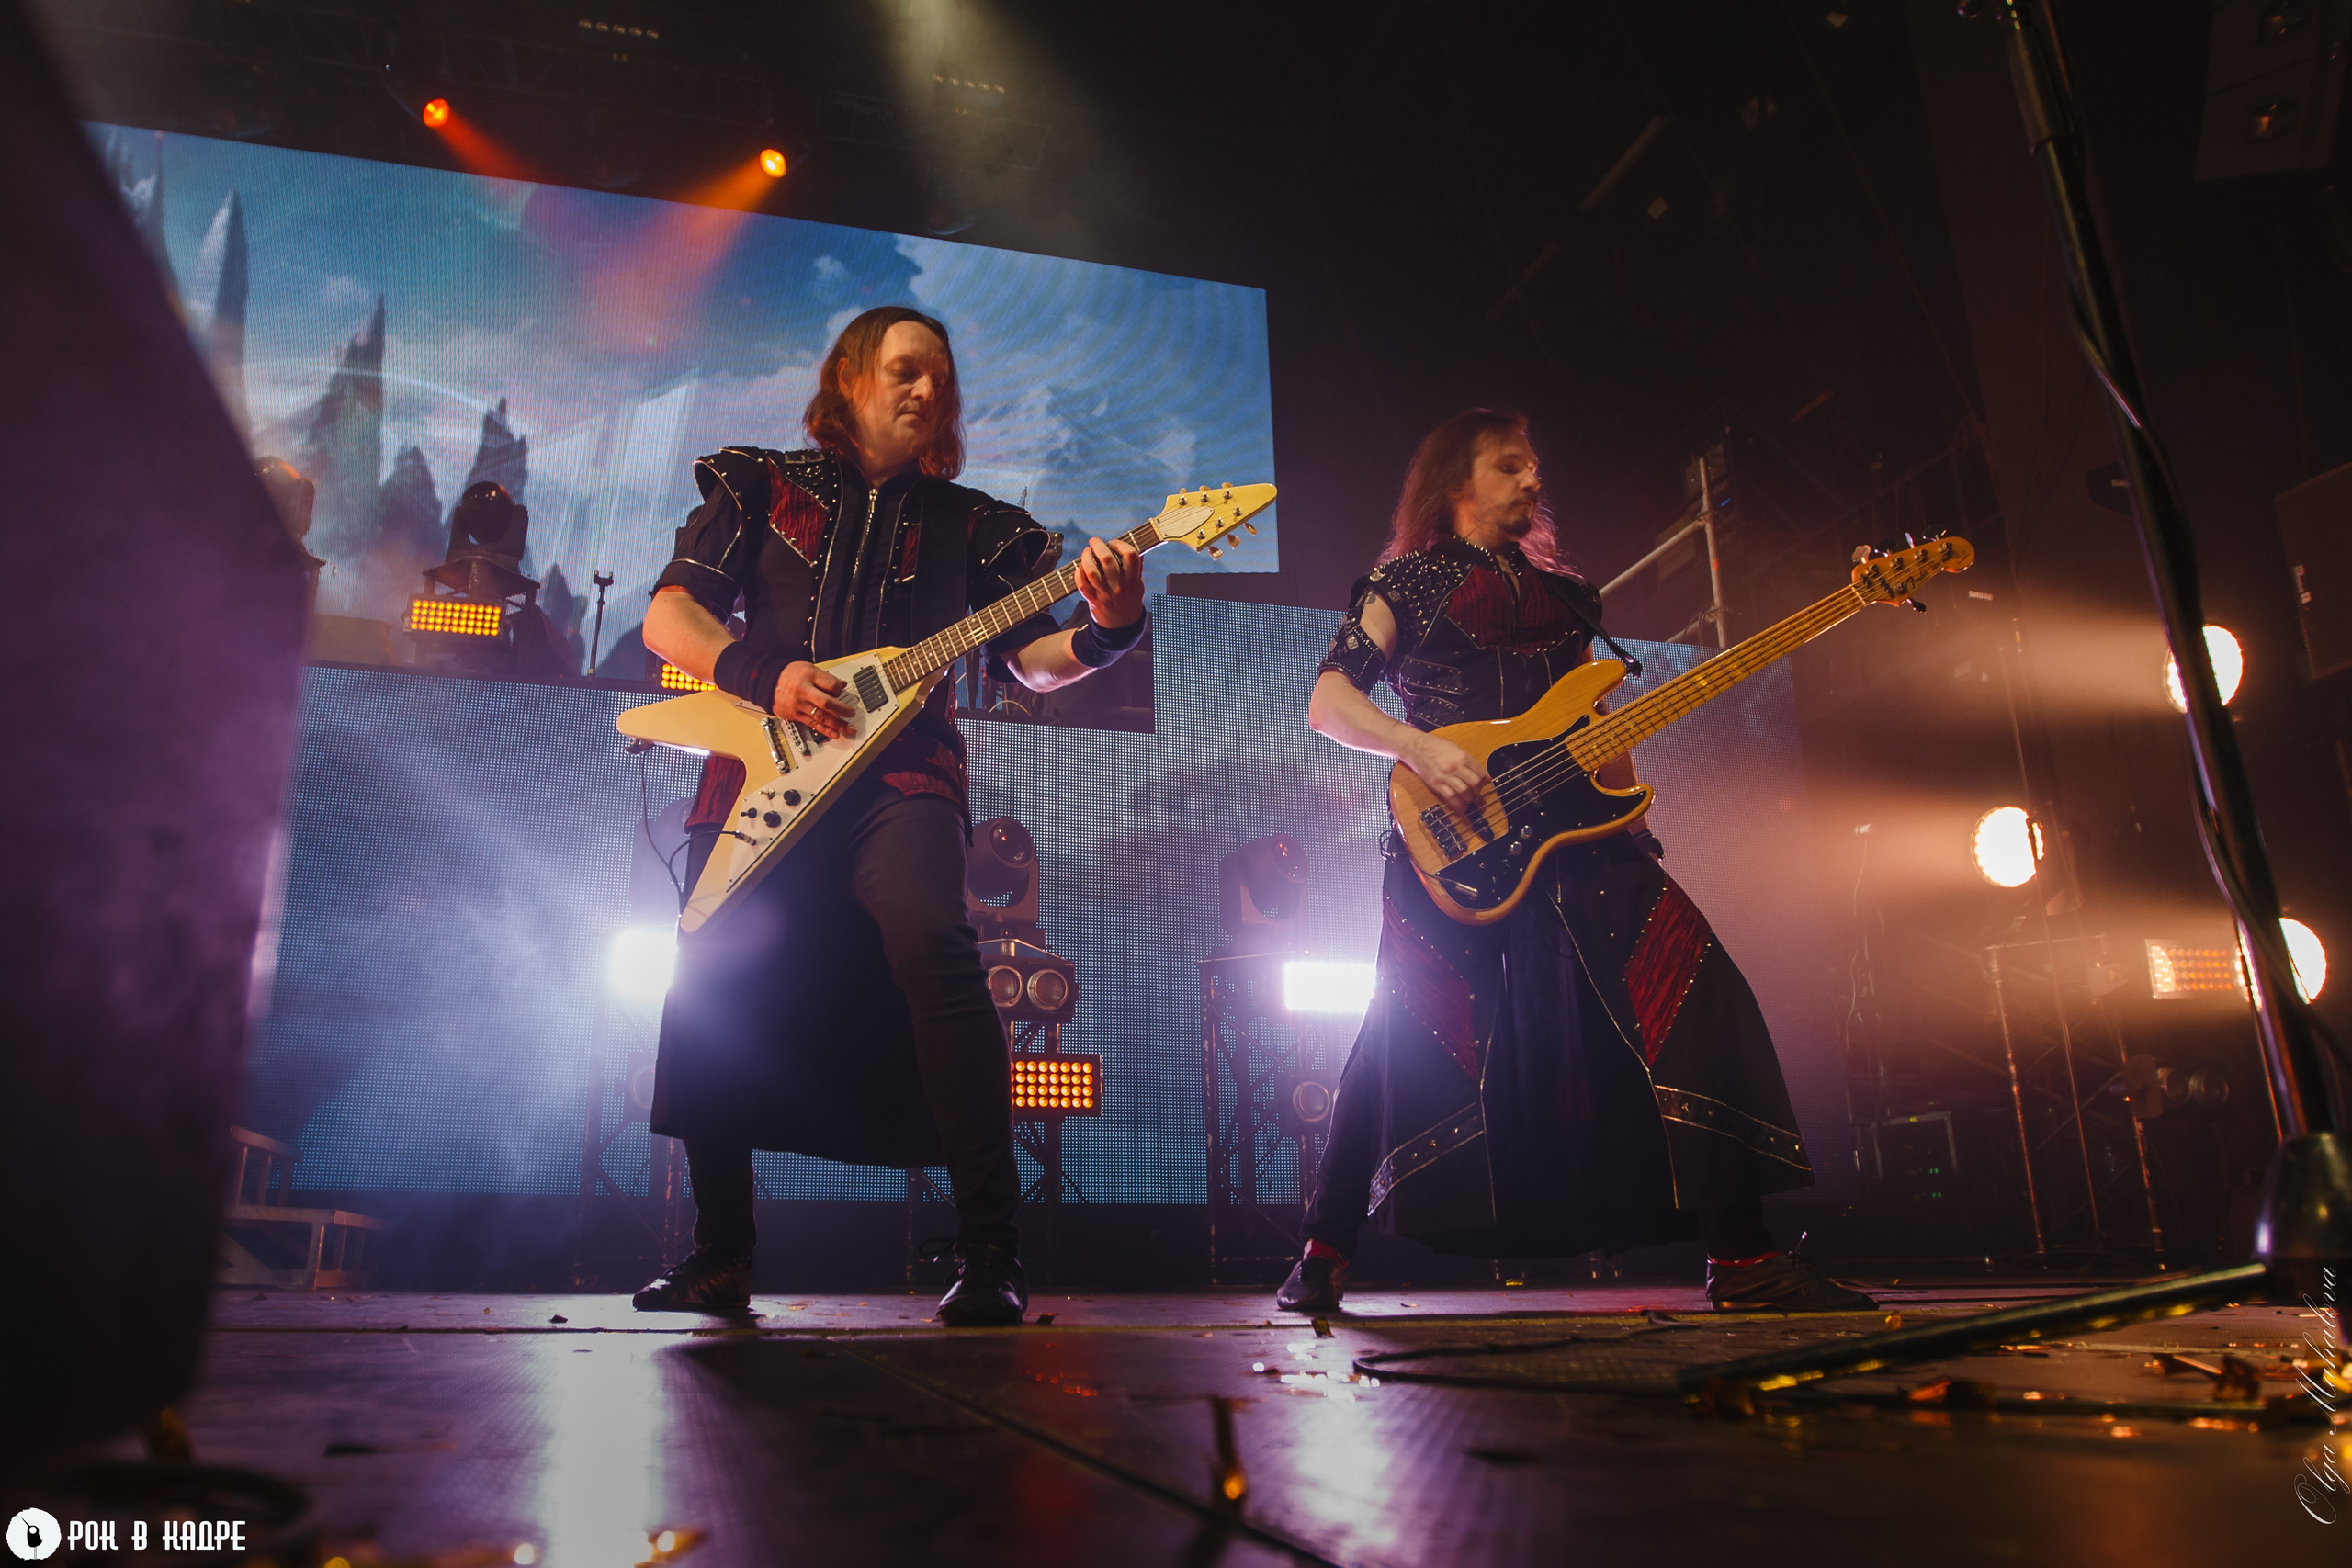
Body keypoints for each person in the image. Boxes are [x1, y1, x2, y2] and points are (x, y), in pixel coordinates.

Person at [1280, 408, 1873, 1314]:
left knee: (1691, 984)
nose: (1531, 482)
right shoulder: (1403, 582)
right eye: (1509, 466)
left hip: (1587, 839)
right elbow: (1328, 703)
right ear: (1457, 484)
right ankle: (1323, 1249)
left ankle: (1742, 1257)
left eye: (1533, 468)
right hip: (1453, 834)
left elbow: (1591, 720)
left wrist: (1631, 817)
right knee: (1407, 1025)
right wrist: (1421, 748)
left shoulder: (1569, 598)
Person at [631, 306, 1147, 1325]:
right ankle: (721, 1254)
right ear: (854, 376)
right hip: (759, 772)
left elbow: (1032, 666)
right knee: (715, 977)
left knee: (934, 943)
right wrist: (766, 676)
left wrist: (1112, 627)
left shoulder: (977, 526)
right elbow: (669, 616)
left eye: (939, 381)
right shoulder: (757, 484)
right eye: (906, 371)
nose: (925, 392)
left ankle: (990, 1252)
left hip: (904, 779)